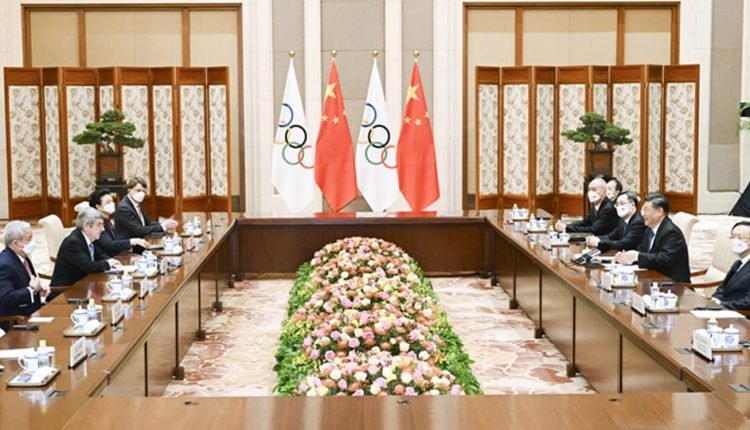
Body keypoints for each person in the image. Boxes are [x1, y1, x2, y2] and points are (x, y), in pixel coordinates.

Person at [614, 193, 691, 283]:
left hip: (672, 284)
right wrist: (627, 257)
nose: (642, 214)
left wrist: (637, 256)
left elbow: (664, 259)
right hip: (654, 278)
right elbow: (643, 251)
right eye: (642, 209)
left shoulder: (671, 232)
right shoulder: (650, 229)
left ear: (659, 212)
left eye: (646, 210)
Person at [51, 207, 121, 287]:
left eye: (103, 225)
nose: (103, 229)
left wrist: (111, 261)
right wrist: (108, 263)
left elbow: (99, 255)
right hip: (67, 289)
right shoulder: (73, 242)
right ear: (86, 226)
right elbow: (88, 266)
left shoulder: (89, 237)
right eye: (99, 225)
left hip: (84, 283)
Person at [0, 221, 48, 318]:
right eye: (29, 239)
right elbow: (6, 298)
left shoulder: (22, 257)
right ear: (16, 243)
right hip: (17, 319)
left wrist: (39, 290)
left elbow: (25, 284)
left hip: (33, 310)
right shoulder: (5, 265)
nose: (33, 243)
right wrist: (31, 290)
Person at [114, 177, 179, 240]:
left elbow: (148, 223)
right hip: (129, 245)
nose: (141, 193)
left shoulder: (136, 203)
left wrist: (166, 225)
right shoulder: (124, 208)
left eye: (143, 191)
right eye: (138, 190)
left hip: (141, 240)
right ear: (129, 191)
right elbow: (139, 230)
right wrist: (163, 226)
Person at [88, 188, 149, 255]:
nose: (112, 204)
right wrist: (132, 241)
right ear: (98, 206)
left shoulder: (107, 221)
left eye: (112, 201)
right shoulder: (97, 222)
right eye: (108, 202)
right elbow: (109, 244)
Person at [711, 221, 750, 310]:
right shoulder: (738, 263)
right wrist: (716, 299)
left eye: (740, 238)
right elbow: (723, 287)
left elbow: (748, 302)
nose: (735, 241)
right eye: (732, 237)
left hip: (740, 314)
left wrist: (722, 304)